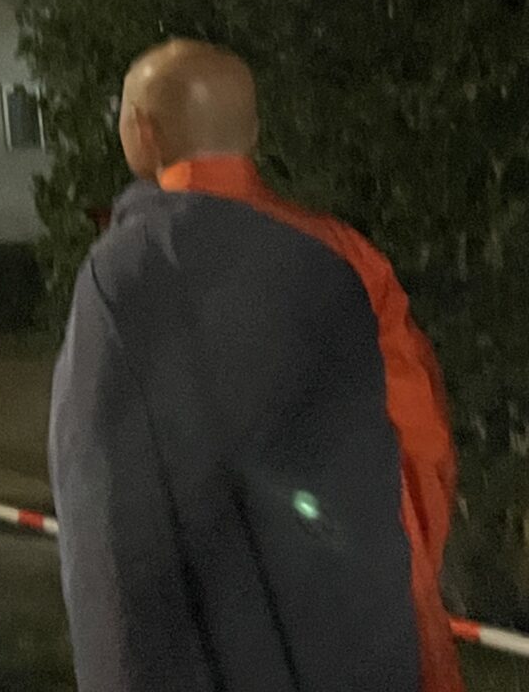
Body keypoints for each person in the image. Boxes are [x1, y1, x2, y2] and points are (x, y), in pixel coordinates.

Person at [50, 37, 459, 692]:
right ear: (254, 133)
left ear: (143, 132)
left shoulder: (127, 276)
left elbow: (106, 514)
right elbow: (419, 451)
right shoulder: (346, 256)